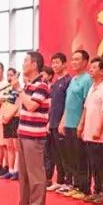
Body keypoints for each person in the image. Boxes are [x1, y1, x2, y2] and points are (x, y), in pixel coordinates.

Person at [10, 52, 52, 205]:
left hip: (34, 136)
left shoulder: (42, 85)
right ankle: (24, 204)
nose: (23, 64)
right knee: (24, 173)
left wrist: (19, 89)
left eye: (25, 61)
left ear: (34, 65)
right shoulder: (29, 85)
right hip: (24, 132)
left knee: (35, 173)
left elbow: (31, 106)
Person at [79, 57, 103, 205]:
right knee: (93, 164)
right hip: (89, 133)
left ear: (102, 71)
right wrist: (81, 125)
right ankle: (96, 190)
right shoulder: (92, 88)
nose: (90, 70)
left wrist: (99, 130)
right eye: (91, 67)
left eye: (94, 68)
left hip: (101, 136)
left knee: (102, 165)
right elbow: (86, 108)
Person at [59, 50, 92, 199]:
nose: (74, 62)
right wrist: (63, 121)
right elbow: (68, 103)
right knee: (71, 156)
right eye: (73, 59)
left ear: (85, 62)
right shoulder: (73, 79)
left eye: (77, 59)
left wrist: (82, 124)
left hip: (79, 124)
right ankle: (74, 184)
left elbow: (86, 104)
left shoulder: (87, 79)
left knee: (81, 158)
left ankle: (84, 188)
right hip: (69, 124)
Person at [45, 53, 71, 193]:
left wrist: (62, 121)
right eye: (53, 63)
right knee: (56, 155)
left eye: (57, 63)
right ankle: (60, 181)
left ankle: (68, 182)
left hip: (62, 124)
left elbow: (68, 104)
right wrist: (49, 122)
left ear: (64, 64)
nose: (54, 65)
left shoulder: (68, 81)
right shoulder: (55, 83)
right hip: (53, 123)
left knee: (65, 154)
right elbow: (52, 105)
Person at [0, 68, 20, 181]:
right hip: (5, 120)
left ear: (16, 75)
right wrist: (3, 116)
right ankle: (10, 170)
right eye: (8, 75)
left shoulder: (19, 89)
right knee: (9, 147)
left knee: (16, 147)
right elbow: (4, 104)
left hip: (14, 119)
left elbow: (18, 105)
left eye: (11, 75)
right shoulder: (6, 89)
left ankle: (17, 170)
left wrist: (9, 116)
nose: (9, 77)